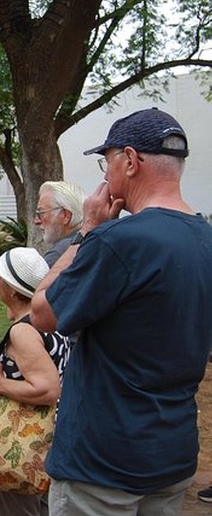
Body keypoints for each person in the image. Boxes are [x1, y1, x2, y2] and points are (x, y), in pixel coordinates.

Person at [30, 108, 212, 515]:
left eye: (106, 162)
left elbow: (42, 312)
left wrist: (87, 232)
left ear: (130, 161)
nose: (105, 177)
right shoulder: (205, 238)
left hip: (102, 461)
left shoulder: (118, 241)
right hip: (171, 453)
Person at [0, 247, 69, 516]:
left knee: (19, 508)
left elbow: (47, 389)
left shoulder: (23, 331)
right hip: (50, 435)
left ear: (10, 289)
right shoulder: (50, 319)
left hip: (22, 441)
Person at [34, 181, 84, 267]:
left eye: (41, 213)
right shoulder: (90, 240)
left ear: (66, 216)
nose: (36, 221)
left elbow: (41, 280)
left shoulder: (61, 253)